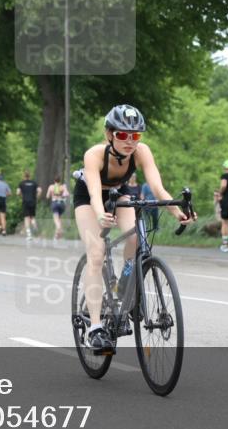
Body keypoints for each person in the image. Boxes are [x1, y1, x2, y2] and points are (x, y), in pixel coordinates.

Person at [74, 104, 195, 354]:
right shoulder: (94, 154)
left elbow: (158, 188)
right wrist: (100, 214)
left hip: (121, 193)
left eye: (135, 135)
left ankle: (123, 288)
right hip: (89, 197)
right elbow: (96, 193)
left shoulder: (142, 152)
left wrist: (177, 212)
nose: (130, 141)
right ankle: (96, 328)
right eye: (122, 135)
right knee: (96, 253)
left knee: (137, 240)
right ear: (109, 134)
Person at [17, 170, 41, 240]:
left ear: (24, 176)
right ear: (29, 176)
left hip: (25, 202)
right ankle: (36, 231)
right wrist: (36, 197)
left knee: (26, 217)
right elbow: (40, 190)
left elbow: (18, 192)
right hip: (33, 201)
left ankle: (29, 234)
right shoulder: (34, 183)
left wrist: (22, 196)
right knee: (32, 217)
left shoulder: (21, 183)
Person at [46, 176, 70, 240]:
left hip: (54, 203)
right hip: (61, 204)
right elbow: (67, 194)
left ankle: (59, 230)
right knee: (59, 219)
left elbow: (47, 196)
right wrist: (62, 194)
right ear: (60, 181)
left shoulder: (51, 187)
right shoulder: (62, 187)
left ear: (54, 181)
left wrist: (52, 195)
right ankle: (57, 236)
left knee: (56, 220)